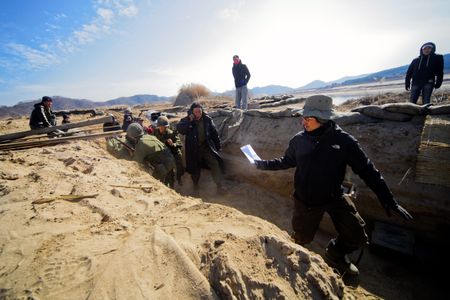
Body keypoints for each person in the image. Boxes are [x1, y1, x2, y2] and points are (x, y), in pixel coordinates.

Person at [253, 95, 412, 276]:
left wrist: (387, 199)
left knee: (356, 236)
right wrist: (262, 164)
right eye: (303, 117)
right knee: (301, 238)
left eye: (307, 118)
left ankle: (335, 254)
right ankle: (295, 266)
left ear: (323, 119)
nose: (302, 122)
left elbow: (367, 170)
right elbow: (286, 161)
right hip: (306, 199)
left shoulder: (344, 142)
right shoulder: (299, 140)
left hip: (334, 196)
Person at [176, 102, 225, 193]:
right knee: (195, 168)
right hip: (193, 149)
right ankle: (195, 185)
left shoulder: (207, 119)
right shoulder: (186, 120)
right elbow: (180, 129)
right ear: (192, 112)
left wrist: (218, 146)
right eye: (196, 112)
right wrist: (189, 121)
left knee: (214, 163)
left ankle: (219, 186)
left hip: (206, 147)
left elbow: (214, 133)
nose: (198, 113)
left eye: (200, 111)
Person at [107, 123, 176, 188]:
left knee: (157, 181)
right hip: (171, 160)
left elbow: (136, 162)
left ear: (132, 135)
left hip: (164, 165)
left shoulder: (140, 144)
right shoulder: (148, 136)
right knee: (169, 181)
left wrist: (132, 153)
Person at [154, 115, 185, 186]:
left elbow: (179, 144)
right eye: (160, 127)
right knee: (167, 170)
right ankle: (168, 184)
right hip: (163, 152)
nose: (162, 128)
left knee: (179, 165)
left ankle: (179, 178)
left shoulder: (171, 133)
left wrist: (172, 144)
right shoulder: (155, 132)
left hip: (173, 151)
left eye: (164, 127)